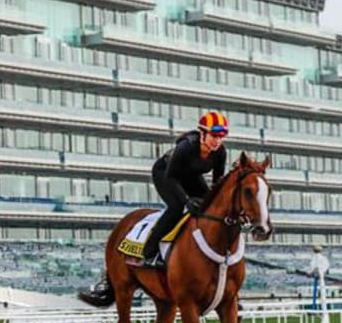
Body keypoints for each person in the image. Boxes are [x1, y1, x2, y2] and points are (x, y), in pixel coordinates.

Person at [80, 112, 230, 298]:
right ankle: (149, 252)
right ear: (202, 133)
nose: (217, 141)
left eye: (221, 137)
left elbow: (217, 184)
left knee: (209, 208)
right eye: (214, 136)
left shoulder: (220, 152)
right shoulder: (185, 148)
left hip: (190, 176)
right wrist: (186, 200)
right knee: (176, 208)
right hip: (165, 174)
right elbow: (172, 177)